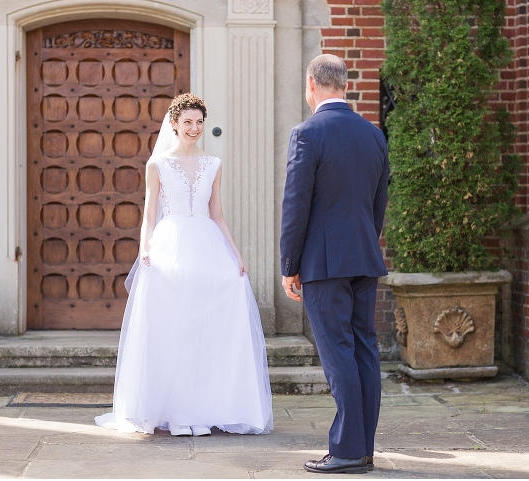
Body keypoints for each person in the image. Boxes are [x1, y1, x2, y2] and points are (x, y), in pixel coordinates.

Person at [96, 93, 273, 437]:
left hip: (207, 244)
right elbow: (148, 214)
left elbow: (217, 215)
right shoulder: (157, 165)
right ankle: (173, 411)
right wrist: (144, 248)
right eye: (187, 122)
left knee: (205, 328)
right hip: (171, 243)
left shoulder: (214, 163)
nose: (194, 128)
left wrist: (236, 254)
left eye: (199, 122)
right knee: (171, 327)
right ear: (174, 124)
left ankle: (206, 408)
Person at [280, 54, 389, 474]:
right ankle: (363, 449)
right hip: (364, 256)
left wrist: (291, 263)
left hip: (324, 262)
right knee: (364, 349)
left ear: (311, 84)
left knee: (338, 352)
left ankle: (346, 450)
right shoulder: (373, 135)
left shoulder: (307, 133)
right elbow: (378, 203)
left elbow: (296, 205)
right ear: (344, 85)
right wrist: (365, 241)